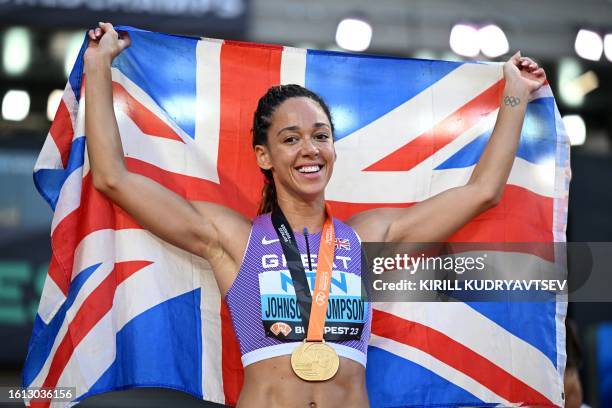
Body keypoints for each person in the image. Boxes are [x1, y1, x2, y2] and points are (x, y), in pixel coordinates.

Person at [84, 22, 546, 408]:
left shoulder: (365, 240)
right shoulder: (234, 239)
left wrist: (515, 94)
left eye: (320, 136)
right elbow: (113, 179)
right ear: (264, 157)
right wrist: (99, 64)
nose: (310, 149)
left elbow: (483, 192)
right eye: (291, 138)